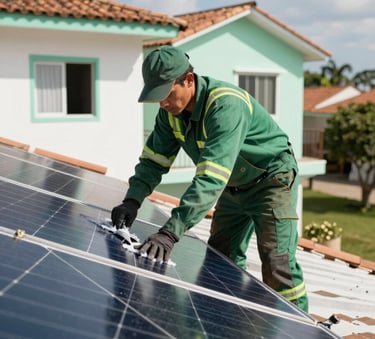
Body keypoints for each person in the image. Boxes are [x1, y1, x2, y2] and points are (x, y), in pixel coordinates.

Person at [111, 45, 308, 312]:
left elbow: (211, 178)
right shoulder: (170, 115)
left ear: (188, 80)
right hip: (233, 186)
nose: (163, 103)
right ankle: (228, 323)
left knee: (277, 264)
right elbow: (153, 161)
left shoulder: (226, 105)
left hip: (271, 181)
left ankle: (299, 326)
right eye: (158, 97)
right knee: (221, 258)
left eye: (167, 94)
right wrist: (132, 200)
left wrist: (170, 232)